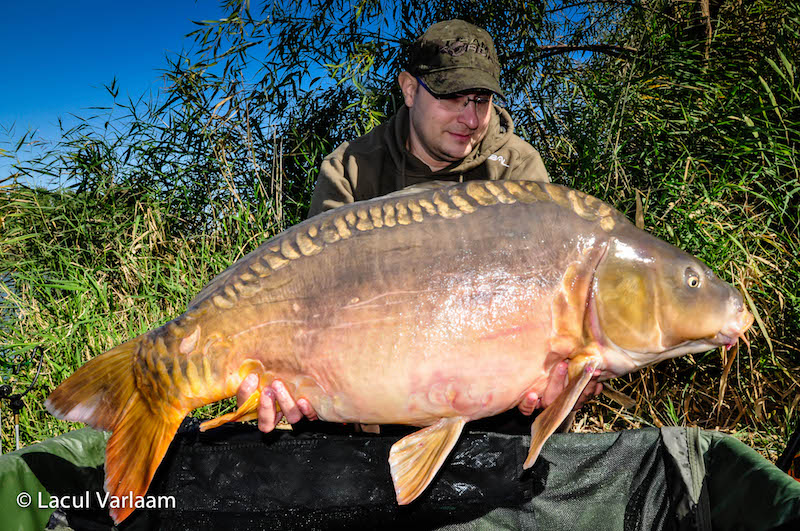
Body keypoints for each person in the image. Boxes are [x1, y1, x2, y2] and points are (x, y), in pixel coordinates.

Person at [237, 19, 602, 433]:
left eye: (481, 100)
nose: (470, 118)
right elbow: (307, 294)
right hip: (367, 402)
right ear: (410, 89)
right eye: (452, 98)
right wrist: (288, 379)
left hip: (489, 410)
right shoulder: (352, 168)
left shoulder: (516, 170)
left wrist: (570, 374)